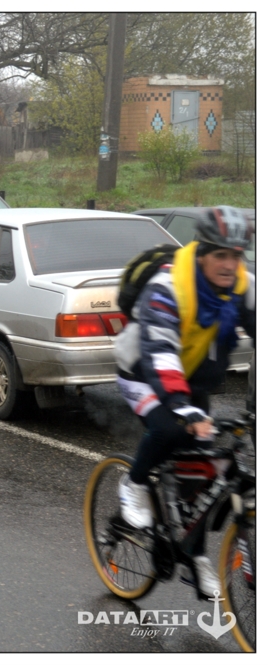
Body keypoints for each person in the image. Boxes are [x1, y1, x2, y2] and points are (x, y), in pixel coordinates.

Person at [114, 205, 255, 598]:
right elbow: (160, 352)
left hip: (190, 376)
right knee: (169, 428)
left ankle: (193, 557)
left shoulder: (244, 285)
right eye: (221, 255)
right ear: (202, 252)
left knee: (202, 469)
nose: (230, 265)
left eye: (237, 255)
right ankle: (134, 484)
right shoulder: (168, 286)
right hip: (143, 371)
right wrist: (182, 406)